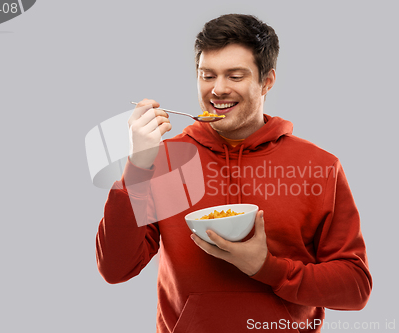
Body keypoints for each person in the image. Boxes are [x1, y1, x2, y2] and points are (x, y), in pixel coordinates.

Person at [96, 14, 372, 333]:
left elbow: (355, 288)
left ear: (267, 81)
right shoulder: (164, 160)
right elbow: (116, 269)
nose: (218, 90)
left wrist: (267, 268)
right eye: (207, 75)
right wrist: (139, 164)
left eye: (235, 76)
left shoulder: (319, 166)